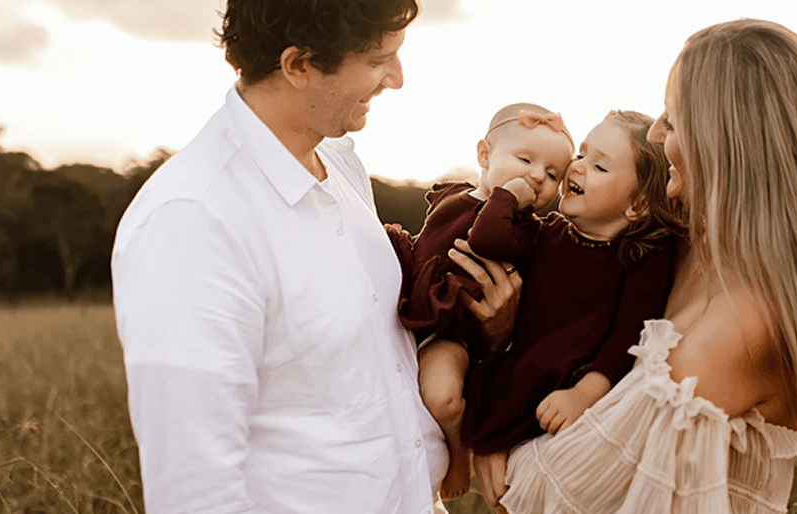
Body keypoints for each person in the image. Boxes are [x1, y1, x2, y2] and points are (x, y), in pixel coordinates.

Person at [111, 1, 520, 512]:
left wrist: (487, 334)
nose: (395, 77)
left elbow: (373, 356)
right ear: (298, 65)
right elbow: (195, 492)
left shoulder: (338, 162)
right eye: (377, 59)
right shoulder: (193, 220)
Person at [474, 19, 797, 513]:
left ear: (724, 137)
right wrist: (499, 343)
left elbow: (568, 489)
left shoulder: (740, 326)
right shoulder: (685, 248)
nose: (654, 131)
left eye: (673, 117)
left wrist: (491, 438)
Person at [456, 109, 684, 490]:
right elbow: (487, 238)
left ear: (639, 205)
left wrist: (585, 392)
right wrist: (508, 195)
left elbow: (630, 334)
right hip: (521, 378)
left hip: (578, 387)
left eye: (599, 166)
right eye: (580, 155)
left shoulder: (642, 258)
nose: (575, 169)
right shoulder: (545, 234)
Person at [384, 102, 574, 499]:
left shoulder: (519, 227)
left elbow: (484, 238)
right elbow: (430, 237)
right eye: (525, 159)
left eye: (553, 174)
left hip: (450, 327)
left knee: (442, 395)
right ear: (485, 154)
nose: (538, 176)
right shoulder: (455, 192)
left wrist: (507, 196)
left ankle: (458, 454)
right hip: (414, 299)